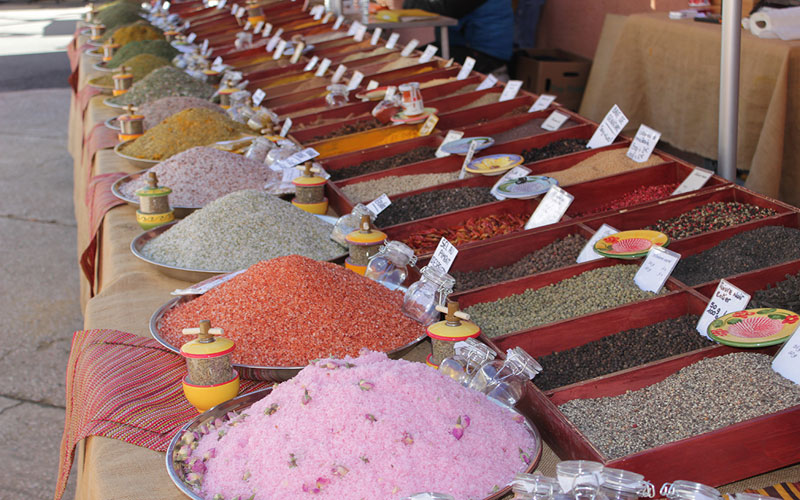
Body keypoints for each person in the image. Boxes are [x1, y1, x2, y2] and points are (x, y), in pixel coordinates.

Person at [375, 0, 513, 74]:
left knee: (412, 64)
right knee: (407, 57)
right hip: (457, 45)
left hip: (484, 54)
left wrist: (404, 3)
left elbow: (447, 8)